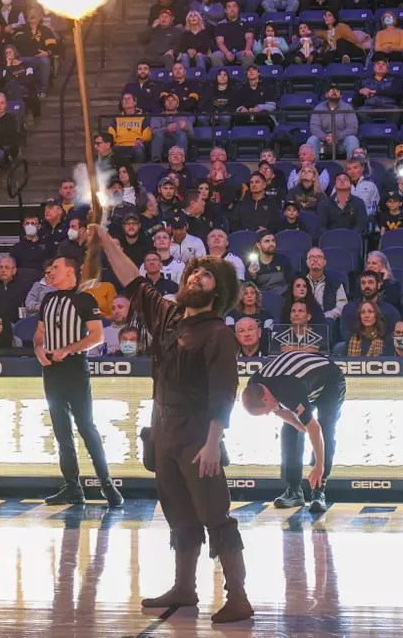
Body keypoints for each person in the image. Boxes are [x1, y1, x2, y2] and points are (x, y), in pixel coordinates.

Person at [91, 225, 251, 622]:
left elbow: (224, 393)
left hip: (198, 436)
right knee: (177, 512)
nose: (197, 276)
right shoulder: (169, 316)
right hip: (163, 431)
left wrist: (214, 442)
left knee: (215, 514)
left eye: (207, 274)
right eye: (195, 271)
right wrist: (107, 240)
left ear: (218, 291)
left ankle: (239, 596)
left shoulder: (218, 334)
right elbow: (133, 282)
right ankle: (184, 587)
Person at [34, 255, 123, 508]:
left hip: (74, 367)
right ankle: (72, 487)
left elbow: (97, 336)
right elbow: (39, 332)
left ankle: (106, 484)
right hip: (51, 370)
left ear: (70, 271)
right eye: (49, 268)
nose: (50, 271)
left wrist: (68, 349)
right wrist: (39, 349)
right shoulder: (48, 298)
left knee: (86, 427)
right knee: (62, 432)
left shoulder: (85, 298)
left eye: (55, 268)